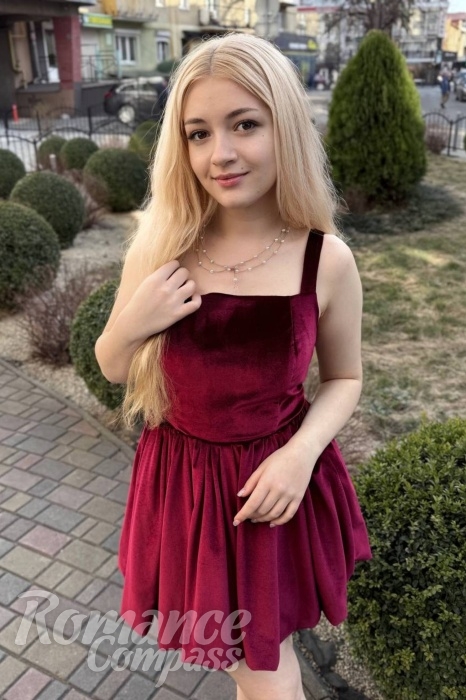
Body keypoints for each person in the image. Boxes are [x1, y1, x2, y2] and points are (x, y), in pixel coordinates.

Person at [95, 32, 372, 700]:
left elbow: (345, 378)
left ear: (285, 128)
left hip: (273, 490)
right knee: (251, 661)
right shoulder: (162, 248)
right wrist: (135, 319)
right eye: (198, 133)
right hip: (184, 489)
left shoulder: (325, 260)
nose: (219, 153)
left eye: (244, 124)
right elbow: (111, 364)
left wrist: (301, 455)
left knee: (264, 664)